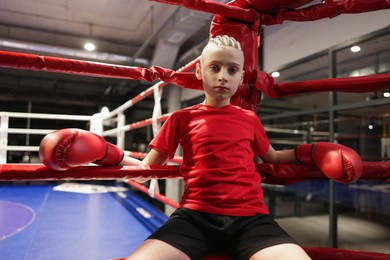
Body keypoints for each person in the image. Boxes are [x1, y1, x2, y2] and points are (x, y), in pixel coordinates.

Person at [39, 35, 362, 260]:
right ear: (199, 71)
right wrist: (104, 153)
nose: (223, 77)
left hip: (251, 219)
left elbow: (273, 158)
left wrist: (316, 152)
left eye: (232, 70)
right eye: (215, 67)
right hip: (193, 218)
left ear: (240, 77)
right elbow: (147, 168)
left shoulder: (248, 118)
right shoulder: (180, 119)